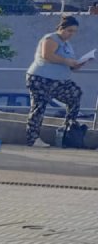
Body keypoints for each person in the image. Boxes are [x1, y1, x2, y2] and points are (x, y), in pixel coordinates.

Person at [25, 15, 87, 147]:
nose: (71, 34)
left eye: (74, 32)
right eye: (69, 30)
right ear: (61, 28)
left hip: (60, 81)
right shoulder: (51, 38)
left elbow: (67, 63)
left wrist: (76, 64)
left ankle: (68, 129)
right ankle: (33, 139)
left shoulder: (67, 45)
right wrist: (66, 61)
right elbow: (47, 55)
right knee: (39, 107)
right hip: (41, 78)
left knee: (75, 94)